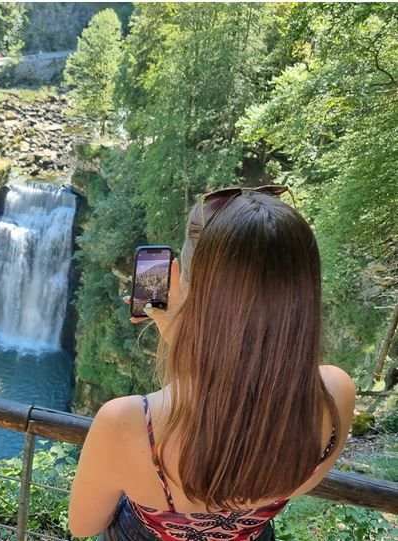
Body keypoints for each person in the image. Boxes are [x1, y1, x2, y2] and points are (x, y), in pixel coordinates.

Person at [68, 187, 356, 541]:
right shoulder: (335, 393)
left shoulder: (128, 423)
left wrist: (181, 332)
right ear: (305, 292)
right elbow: (243, 396)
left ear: (188, 286)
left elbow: (84, 525)